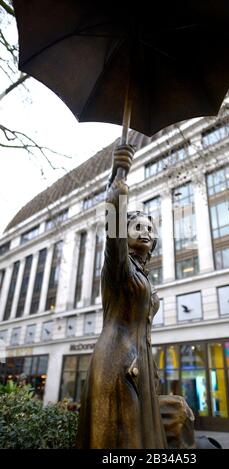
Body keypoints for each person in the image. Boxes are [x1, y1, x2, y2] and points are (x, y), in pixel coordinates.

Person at [76, 144, 167, 449]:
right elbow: (112, 229)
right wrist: (119, 176)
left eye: (149, 229)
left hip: (140, 364)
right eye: (137, 226)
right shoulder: (120, 269)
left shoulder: (143, 277)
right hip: (117, 363)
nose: (145, 232)